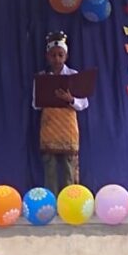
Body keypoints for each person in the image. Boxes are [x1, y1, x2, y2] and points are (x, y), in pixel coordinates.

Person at [33, 31, 88, 195]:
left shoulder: (74, 76)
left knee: (68, 167)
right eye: (53, 55)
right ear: (47, 57)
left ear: (66, 56)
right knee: (49, 168)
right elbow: (35, 104)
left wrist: (70, 99)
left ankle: (70, 200)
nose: (57, 59)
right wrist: (46, 97)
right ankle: (51, 201)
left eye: (60, 55)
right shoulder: (42, 78)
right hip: (49, 127)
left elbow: (84, 103)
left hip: (68, 129)